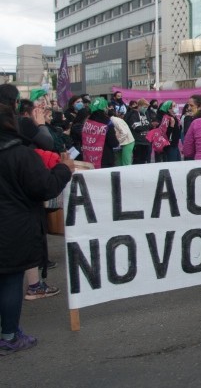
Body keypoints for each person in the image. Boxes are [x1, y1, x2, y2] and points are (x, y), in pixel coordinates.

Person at [0, 101, 73, 355]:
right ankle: (9, 336)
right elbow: (45, 187)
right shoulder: (21, 154)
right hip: (13, 228)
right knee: (10, 280)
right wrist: (65, 169)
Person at [81, 98, 119, 169]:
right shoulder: (107, 123)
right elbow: (113, 142)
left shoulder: (87, 122)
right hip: (105, 159)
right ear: (104, 108)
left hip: (88, 158)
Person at [181, 95, 201, 161]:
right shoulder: (191, 118)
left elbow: (188, 140)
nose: (188, 108)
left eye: (191, 105)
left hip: (197, 157)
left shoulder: (198, 121)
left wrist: (187, 119)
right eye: (188, 105)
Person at [125, 98, 152, 165]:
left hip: (146, 141)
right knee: (138, 160)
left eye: (147, 107)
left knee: (145, 160)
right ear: (139, 106)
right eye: (144, 107)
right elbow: (136, 128)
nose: (145, 109)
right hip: (138, 141)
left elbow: (149, 124)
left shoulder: (146, 113)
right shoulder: (133, 115)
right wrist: (149, 126)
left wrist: (150, 126)